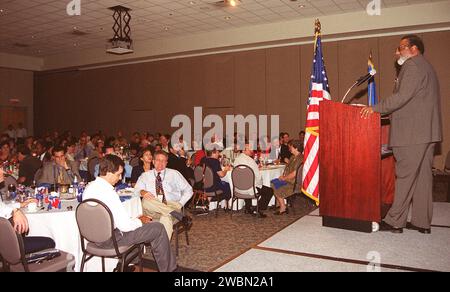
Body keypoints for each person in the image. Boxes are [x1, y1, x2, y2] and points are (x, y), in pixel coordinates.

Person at [360, 35, 442, 234]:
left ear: (413, 49)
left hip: (411, 133)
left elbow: (402, 97)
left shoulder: (412, 66)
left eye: (400, 48)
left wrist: (375, 109)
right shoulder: (427, 67)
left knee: (404, 176)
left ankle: (395, 221)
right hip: (427, 132)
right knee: (422, 178)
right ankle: (422, 222)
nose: (396, 52)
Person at [82, 154, 177, 272]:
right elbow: (125, 227)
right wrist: (139, 221)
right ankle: (169, 270)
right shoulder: (109, 193)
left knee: (138, 224)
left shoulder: (89, 187)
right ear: (109, 173)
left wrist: (135, 220)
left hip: (93, 237)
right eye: (118, 174)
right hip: (110, 240)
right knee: (158, 228)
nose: (120, 178)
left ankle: (127, 263)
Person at [135, 151, 193, 239]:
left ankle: (162, 250)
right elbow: (135, 191)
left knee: (166, 218)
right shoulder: (145, 176)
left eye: (163, 161)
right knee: (146, 200)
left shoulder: (174, 174)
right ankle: (175, 214)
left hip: (172, 204)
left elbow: (189, 190)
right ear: (153, 161)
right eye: (158, 160)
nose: (160, 163)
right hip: (152, 209)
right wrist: (142, 192)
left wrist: (180, 204)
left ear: (166, 163)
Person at [0, 169, 55, 254]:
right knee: (50, 241)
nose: (3, 172)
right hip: (4, 245)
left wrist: (20, 205)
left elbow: (1, 207)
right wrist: (15, 211)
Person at [233, 143, 274, 218]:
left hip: (238, 188)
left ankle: (248, 207)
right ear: (244, 150)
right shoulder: (251, 161)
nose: (252, 150)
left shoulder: (236, 160)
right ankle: (258, 209)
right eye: (250, 149)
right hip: (249, 188)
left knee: (245, 182)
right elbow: (258, 177)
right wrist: (259, 185)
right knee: (269, 191)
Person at [271, 139, 303, 215]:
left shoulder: (300, 158)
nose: (289, 149)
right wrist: (283, 176)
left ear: (296, 148)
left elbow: (295, 173)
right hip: (288, 179)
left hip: (294, 182)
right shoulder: (292, 157)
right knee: (273, 182)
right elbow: (288, 168)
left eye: (290, 147)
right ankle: (279, 204)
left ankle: (283, 207)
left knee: (277, 186)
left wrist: (284, 178)